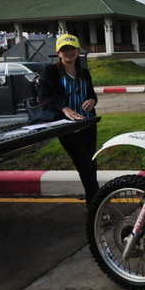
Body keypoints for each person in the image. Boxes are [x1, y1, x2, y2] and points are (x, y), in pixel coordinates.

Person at [38, 34, 99, 204]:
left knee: (91, 163)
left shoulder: (84, 72)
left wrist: (92, 101)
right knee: (84, 164)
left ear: (78, 51)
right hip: (67, 126)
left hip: (87, 122)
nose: (69, 52)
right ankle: (96, 203)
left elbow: (92, 94)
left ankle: (94, 201)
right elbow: (43, 98)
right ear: (58, 53)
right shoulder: (50, 71)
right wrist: (65, 109)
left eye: (72, 48)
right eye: (64, 49)